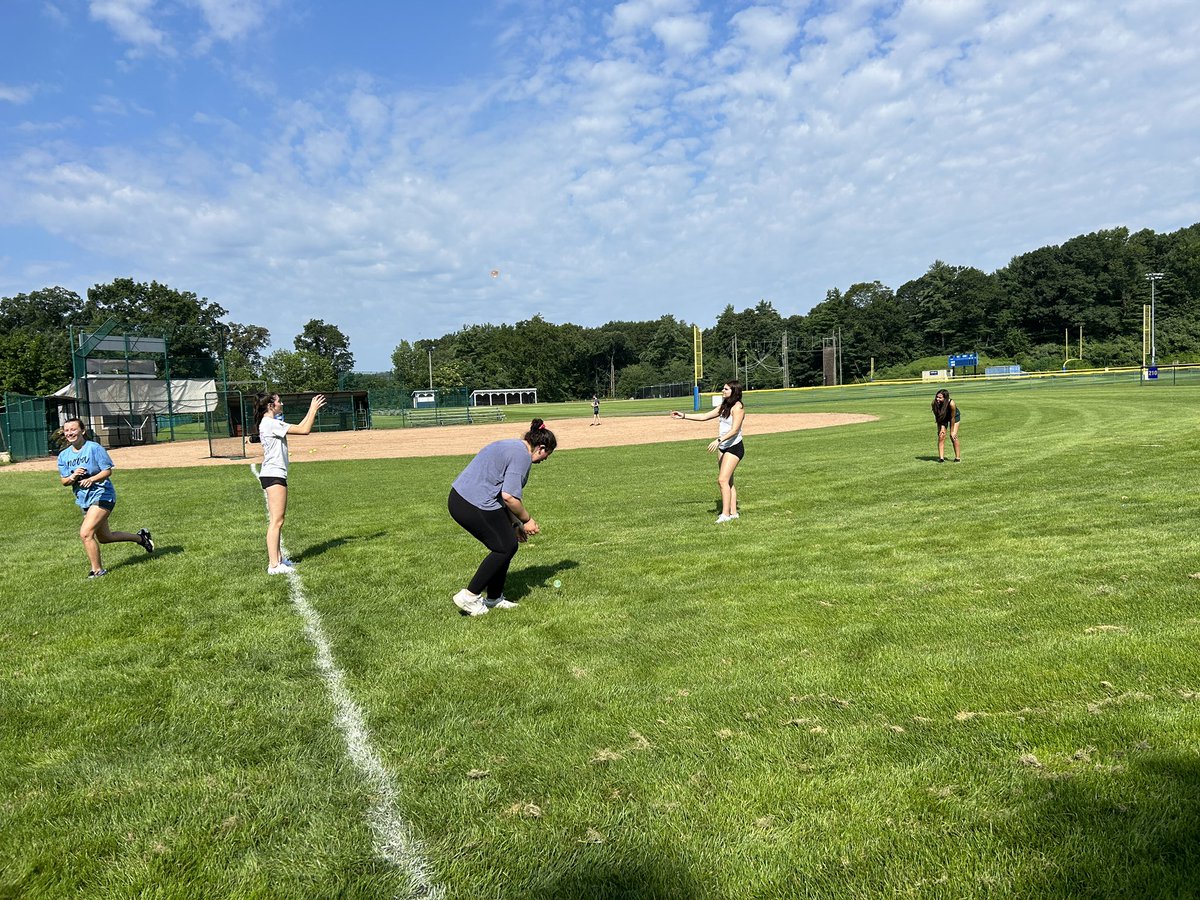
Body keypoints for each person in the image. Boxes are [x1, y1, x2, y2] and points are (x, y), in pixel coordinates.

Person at [448, 418, 557, 616]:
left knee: (506, 543)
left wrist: (514, 524)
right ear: (541, 448)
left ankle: (494, 598)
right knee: (505, 547)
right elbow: (509, 497)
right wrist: (527, 520)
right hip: (472, 502)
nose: (545, 459)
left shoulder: (512, 445)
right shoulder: (522, 456)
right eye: (547, 454)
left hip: (461, 498)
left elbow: (499, 491)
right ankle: (469, 597)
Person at [56, 417, 153, 578]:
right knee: (105, 537)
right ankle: (141, 538)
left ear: (82, 431)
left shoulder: (94, 448)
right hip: (84, 499)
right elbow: (64, 481)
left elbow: (107, 471)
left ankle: (97, 571)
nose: (69, 433)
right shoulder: (63, 456)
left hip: (102, 495)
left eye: (73, 429)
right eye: (67, 430)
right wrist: (73, 476)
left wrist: (92, 479)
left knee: (86, 533)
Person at [255, 391, 327, 575]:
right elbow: (304, 430)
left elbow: (302, 427)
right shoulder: (270, 423)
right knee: (277, 521)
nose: (282, 404)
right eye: (279, 401)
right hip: (274, 474)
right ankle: (274, 565)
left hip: (272, 474)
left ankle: (279, 560)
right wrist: (313, 409)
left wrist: (311, 411)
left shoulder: (269, 422)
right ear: (270, 405)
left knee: (277, 520)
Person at [671, 381, 745, 523]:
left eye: (726, 389)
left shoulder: (738, 407)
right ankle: (733, 513)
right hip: (723, 447)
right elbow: (704, 416)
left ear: (734, 391)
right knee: (728, 481)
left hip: (734, 447)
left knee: (722, 480)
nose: (723, 390)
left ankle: (725, 515)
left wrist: (719, 440)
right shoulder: (724, 406)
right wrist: (684, 415)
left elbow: (735, 430)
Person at [932, 389, 961, 462]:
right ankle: (941, 458)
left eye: (940, 397)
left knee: (953, 436)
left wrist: (952, 431)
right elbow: (938, 417)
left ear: (945, 398)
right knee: (941, 435)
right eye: (937, 397)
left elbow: (952, 418)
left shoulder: (951, 403)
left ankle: (957, 458)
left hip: (954, 417)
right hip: (943, 417)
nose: (937, 399)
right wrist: (940, 428)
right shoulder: (934, 403)